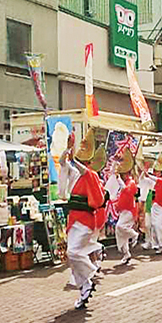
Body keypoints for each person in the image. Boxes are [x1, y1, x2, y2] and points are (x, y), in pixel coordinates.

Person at [58, 129, 106, 309]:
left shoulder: (91, 175)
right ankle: (84, 287)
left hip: (85, 221)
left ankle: (91, 274)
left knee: (73, 253)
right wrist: (67, 150)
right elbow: (63, 162)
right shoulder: (73, 172)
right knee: (72, 256)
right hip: (73, 220)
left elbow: (80, 168)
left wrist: (74, 159)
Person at [114, 149, 139, 266]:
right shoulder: (124, 181)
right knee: (119, 232)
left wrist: (118, 179)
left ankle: (134, 235)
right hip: (123, 210)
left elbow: (126, 190)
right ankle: (126, 253)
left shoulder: (131, 182)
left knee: (120, 227)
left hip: (130, 210)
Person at [148, 153, 162, 254]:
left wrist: (146, 173)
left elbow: (154, 178)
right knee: (153, 225)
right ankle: (156, 244)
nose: (155, 173)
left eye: (157, 171)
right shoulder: (153, 182)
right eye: (154, 171)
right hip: (154, 206)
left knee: (158, 225)